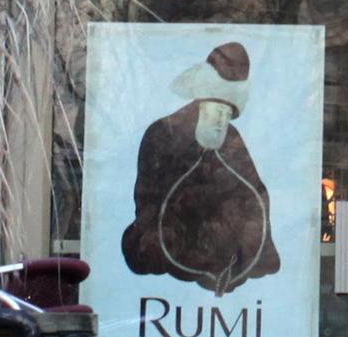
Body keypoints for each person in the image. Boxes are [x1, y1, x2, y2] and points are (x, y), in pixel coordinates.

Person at [120, 39, 281, 293]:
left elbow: (255, 197)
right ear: (198, 106)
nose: (221, 122)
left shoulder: (232, 140)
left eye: (227, 114)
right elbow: (148, 200)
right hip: (173, 235)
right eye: (215, 111)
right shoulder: (163, 133)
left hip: (220, 245)